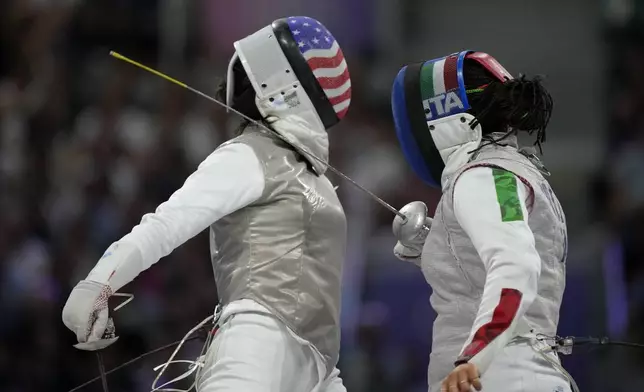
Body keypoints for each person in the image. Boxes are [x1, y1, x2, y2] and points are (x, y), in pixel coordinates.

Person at [62, 16, 352, 392]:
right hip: (255, 342)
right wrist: (99, 283)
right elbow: (168, 223)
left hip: (319, 367)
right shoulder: (251, 154)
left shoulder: (315, 180)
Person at [390, 51, 573, 392]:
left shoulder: (484, 176)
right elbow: (498, 259)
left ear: (440, 118)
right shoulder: (503, 171)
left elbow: (515, 263)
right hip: (523, 371)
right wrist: (436, 245)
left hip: (492, 377)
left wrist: (476, 356)